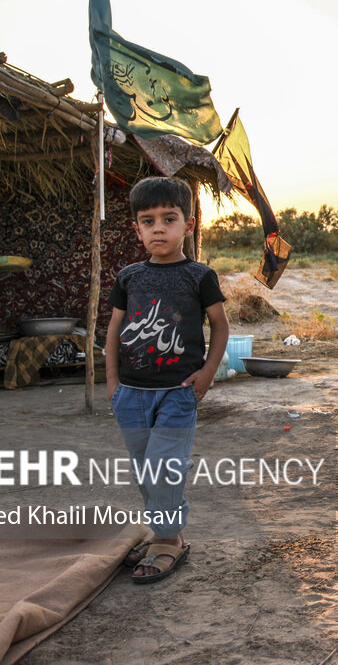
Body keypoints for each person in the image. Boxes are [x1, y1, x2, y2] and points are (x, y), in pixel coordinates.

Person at [106, 176, 228, 582]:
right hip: (132, 394)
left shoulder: (199, 276)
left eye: (169, 219)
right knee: (145, 468)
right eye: (148, 220)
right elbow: (113, 331)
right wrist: (112, 384)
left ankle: (167, 539)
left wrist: (207, 374)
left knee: (165, 465)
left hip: (177, 392)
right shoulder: (129, 277)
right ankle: (164, 533)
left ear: (187, 226)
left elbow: (220, 326)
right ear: (136, 228)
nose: (158, 228)